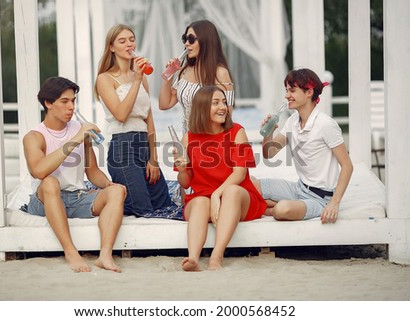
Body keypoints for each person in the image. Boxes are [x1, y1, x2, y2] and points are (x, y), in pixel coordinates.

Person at [23, 76, 126, 273]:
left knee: (117, 191)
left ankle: (105, 255)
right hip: (46, 200)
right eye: (64, 101)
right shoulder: (34, 136)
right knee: (50, 182)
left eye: (73, 101)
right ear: (48, 103)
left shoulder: (79, 129)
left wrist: (108, 185)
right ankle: (71, 252)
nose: (71, 107)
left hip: (77, 198)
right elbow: (39, 171)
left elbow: (92, 171)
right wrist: (76, 139)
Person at [173, 86, 267, 272]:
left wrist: (217, 195)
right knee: (200, 202)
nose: (223, 107)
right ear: (202, 108)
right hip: (203, 199)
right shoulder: (188, 138)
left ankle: (216, 257)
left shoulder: (237, 132)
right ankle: (193, 258)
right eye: (216, 103)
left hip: (239, 197)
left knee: (231, 191)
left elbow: (239, 174)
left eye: (224, 102)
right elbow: (185, 183)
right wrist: (183, 170)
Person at [94, 24, 174, 217]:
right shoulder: (105, 79)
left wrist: (153, 159)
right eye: (122, 41)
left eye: (131, 39)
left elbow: (150, 120)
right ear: (111, 47)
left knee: (164, 204)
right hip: (122, 147)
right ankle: (110, 203)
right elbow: (121, 115)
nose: (129, 44)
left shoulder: (141, 77)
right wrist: (136, 79)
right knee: (143, 209)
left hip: (143, 145)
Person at [254, 68, 353, 224]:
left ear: (309, 92)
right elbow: (269, 154)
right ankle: (266, 204)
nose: (287, 96)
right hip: (299, 189)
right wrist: (268, 133)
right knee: (251, 182)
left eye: (292, 90)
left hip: (321, 198)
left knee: (282, 210)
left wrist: (334, 203)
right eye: (286, 90)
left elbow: (347, 166)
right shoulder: (292, 121)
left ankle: (265, 206)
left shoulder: (325, 125)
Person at [159, 19, 234, 134]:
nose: (186, 43)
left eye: (191, 39)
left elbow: (226, 117)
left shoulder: (220, 73)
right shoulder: (184, 71)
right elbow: (164, 104)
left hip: (210, 141)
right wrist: (169, 73)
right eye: (185, 39)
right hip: (188, 139)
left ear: (206, 41)